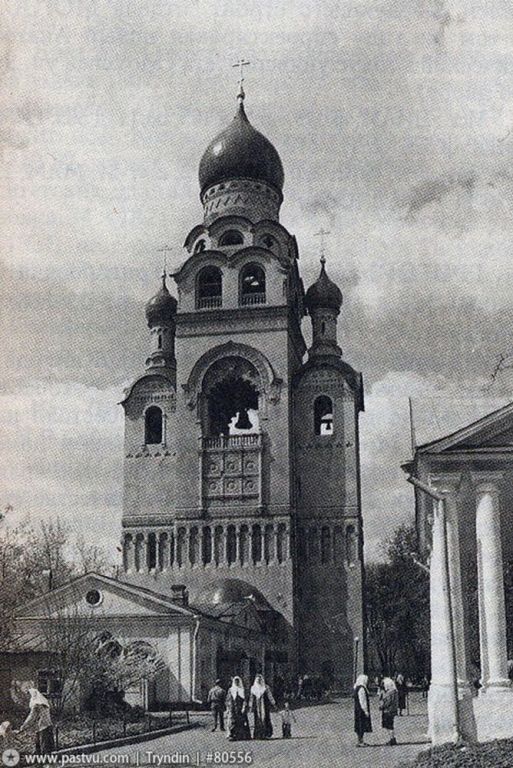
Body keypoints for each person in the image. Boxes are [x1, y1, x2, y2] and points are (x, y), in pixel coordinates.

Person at [15, 688, 54, 755]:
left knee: (43, 746)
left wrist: (23, 726)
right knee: (42, 745)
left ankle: (44, 762)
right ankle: (40, 759)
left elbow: (31, 717)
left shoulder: (36, 705)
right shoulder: (44, 704)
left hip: (42, 727)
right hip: (47, 726)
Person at [249, 674, 275, 739]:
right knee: (257, 719)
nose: (259, 681)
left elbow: (270, 696)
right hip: (257, 706)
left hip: (265, 705)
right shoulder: (253, 688)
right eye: (257, 680)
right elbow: (251, 698)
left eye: (260, 680)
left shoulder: (266, 687)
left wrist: (273, 703)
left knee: (265, 718)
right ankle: (258, 735)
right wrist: (250, 705)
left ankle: (266, 734)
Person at [226, 676, 251, 741]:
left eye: (238, 681)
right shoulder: (231, 690)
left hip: (240, 708)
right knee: (232, 721)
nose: (236, 682)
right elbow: (228, 699)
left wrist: (244, 707)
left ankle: (241, 735)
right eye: (235, 681)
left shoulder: (242, 690)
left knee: (241, 721)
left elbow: (245, 700)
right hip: (233, 708)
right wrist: (228, 708)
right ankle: (232, 735)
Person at [353, 674, 372, 747]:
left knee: (358, 725)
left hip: (357, 709)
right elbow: (362, 700)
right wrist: (366, 710)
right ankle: (360, 741)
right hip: (361, 710)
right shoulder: (362, 689)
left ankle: (360, 740)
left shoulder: (356, 687)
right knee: (361, 725)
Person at [379, 677, 398, 746]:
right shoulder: (394, 691)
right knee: (389, 725)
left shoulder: (390, 692)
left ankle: (392, 738)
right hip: (391, 710)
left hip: (388, 710)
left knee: (389, 725)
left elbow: (388, 702)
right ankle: (392, 738)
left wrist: (382, 706)